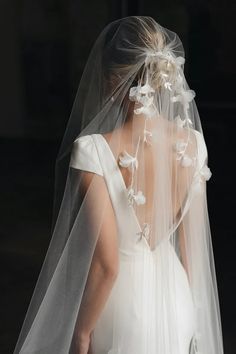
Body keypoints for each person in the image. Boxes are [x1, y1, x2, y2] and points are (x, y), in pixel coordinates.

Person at [14, 16, 224, 354]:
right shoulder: (193, 144)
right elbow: (194, 252)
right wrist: (194, 316)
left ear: (114, 76)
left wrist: (81, 333)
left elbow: (107, 264)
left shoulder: (94, 150)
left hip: (123, 310)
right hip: (179, 301)